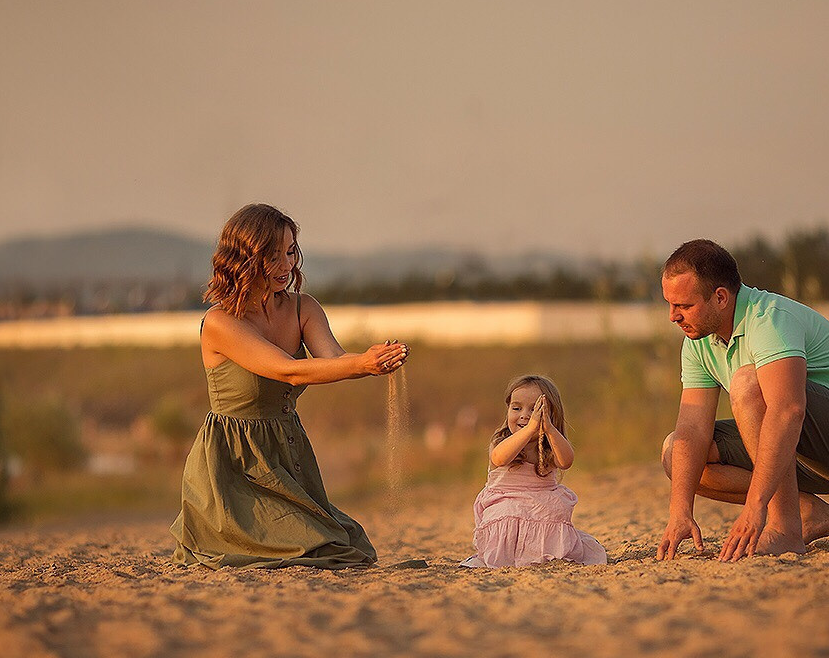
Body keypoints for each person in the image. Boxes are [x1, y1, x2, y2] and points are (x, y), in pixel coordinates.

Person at [170, 203, 409, 569]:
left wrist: (372, 362)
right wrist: (362, 362)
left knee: (351, 544)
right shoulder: (220, 322)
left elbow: (332, 360)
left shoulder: (304, 308)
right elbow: (289, 371)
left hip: (288, 451)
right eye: (272, 255)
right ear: (245, 258)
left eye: (291, 251)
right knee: (317, 547)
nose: (286, 265)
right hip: (235, 465)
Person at [656, 239, 829, 563]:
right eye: (669, 305)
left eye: (684, 305)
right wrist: (679, 512)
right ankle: (807, 511)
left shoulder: (768, 319)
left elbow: (788, 410)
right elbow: (691, 430)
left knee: (748, 384)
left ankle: (785, 528)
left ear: (721, 298)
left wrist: (756, 507)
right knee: (676, 454)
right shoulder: (698, 341)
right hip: (801, 450)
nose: (673, 316)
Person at [461, 375, 606, 568]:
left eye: (534, 410)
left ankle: (545, 552)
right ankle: (503, 554)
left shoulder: (550, 445)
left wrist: (550, 430)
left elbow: (566, 461)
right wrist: (529, 430)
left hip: (541, 503)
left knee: (556, 508)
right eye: (516, 408)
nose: (524, 415)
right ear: (507, 410)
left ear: (551, 414)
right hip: (506, 501)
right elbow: (499, 458)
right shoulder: (501, 440)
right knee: (508, 510)